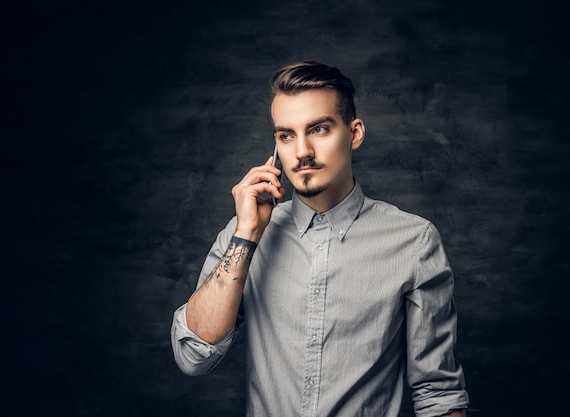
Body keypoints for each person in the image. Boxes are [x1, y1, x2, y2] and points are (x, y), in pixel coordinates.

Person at [171, 61, 469, 417]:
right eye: (286, 135)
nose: (302, 151)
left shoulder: (414, 241)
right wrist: (247, 234)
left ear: (354, 133)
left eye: (319, 129)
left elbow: (438, 394)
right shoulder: (244, 234)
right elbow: (193, 356)